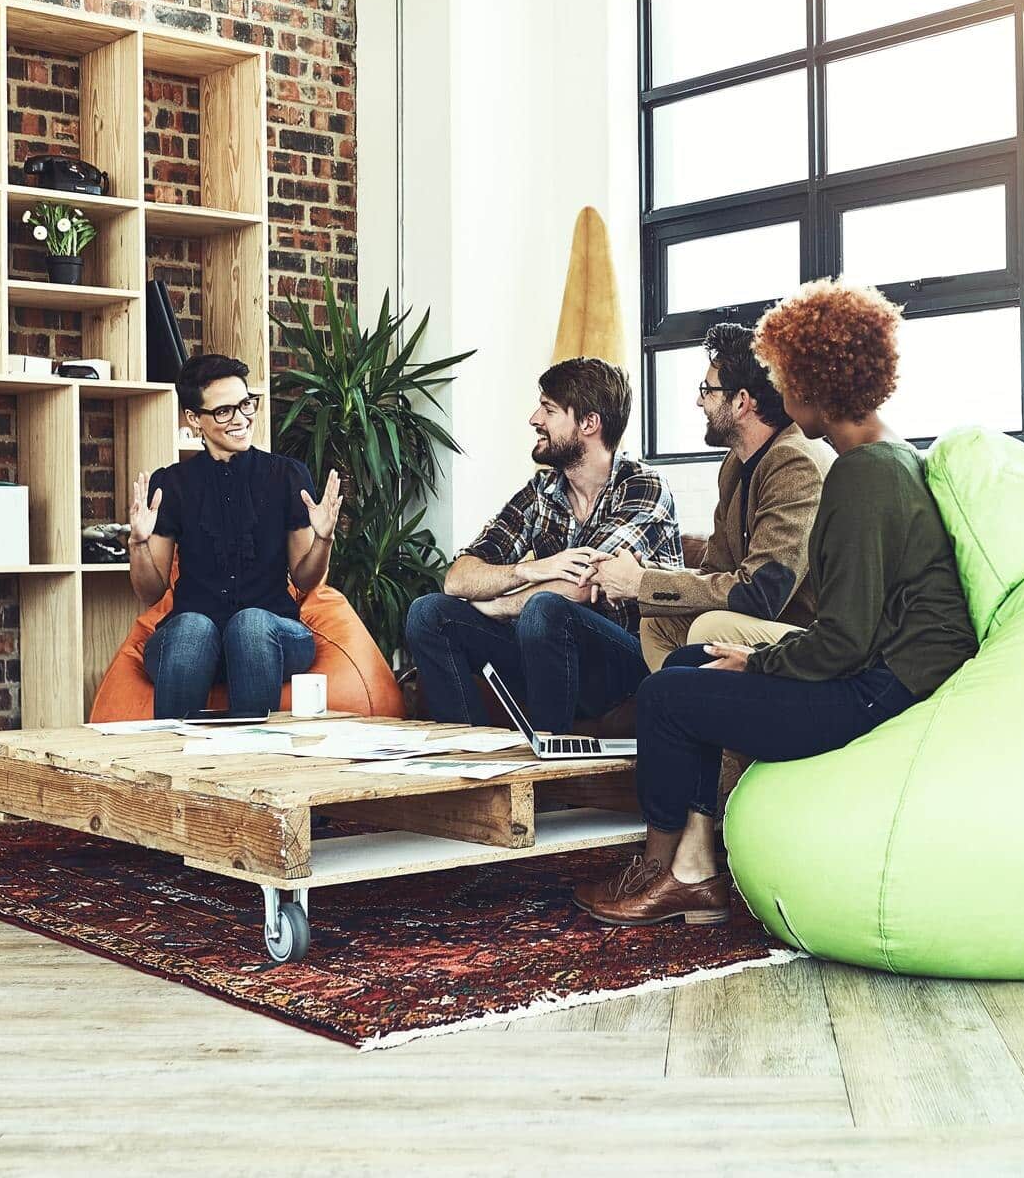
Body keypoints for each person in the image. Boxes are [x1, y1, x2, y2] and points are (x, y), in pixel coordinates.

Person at [575, 281, 979, 926]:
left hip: (879, 691)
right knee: (689, 665)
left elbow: (844, 642)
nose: (780, 393)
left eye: (784, 377)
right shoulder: (884, 457)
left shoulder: (862, 475)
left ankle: (666, 869)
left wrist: (756, 662)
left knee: (667, 696)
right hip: (878, 670)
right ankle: (693, 868)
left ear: (814, 383)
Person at [405, 357, 681, 735]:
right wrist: (528, 569)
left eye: (549, 410)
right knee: (429, 613)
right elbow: (458, 578)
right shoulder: (541, 491)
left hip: (624, 661)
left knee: (545, 608)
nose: (535, 419)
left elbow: (581, 587)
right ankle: (470, 749)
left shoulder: (643, 486)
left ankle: (549, 760)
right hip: (544, 652)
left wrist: (499, 605)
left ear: (589, 423)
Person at [589, 322, 830, 671]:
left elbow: (762, 593)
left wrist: (639, 583)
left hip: (811, 639)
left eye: (707, 390)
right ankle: (676, 703)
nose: (699, 401)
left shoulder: (795, 461)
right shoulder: (736, 464)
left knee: (710, 627)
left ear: (741, 402)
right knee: (658, 623)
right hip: (766, 622)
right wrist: (644, 572)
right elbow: (716, 572)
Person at [127, 353, 342, 719]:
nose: (241, 419)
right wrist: (138, 545)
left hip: (273, 636)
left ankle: (253, 750)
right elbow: (151, 593)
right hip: (192, 644)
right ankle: (172, 751)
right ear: (194, 418)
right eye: (224, 411)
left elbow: (305, 580)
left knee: (250, 624)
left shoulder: (287, 476)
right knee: (193, 626)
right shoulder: (172, 484)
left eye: (245, 404)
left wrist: (323, 539)